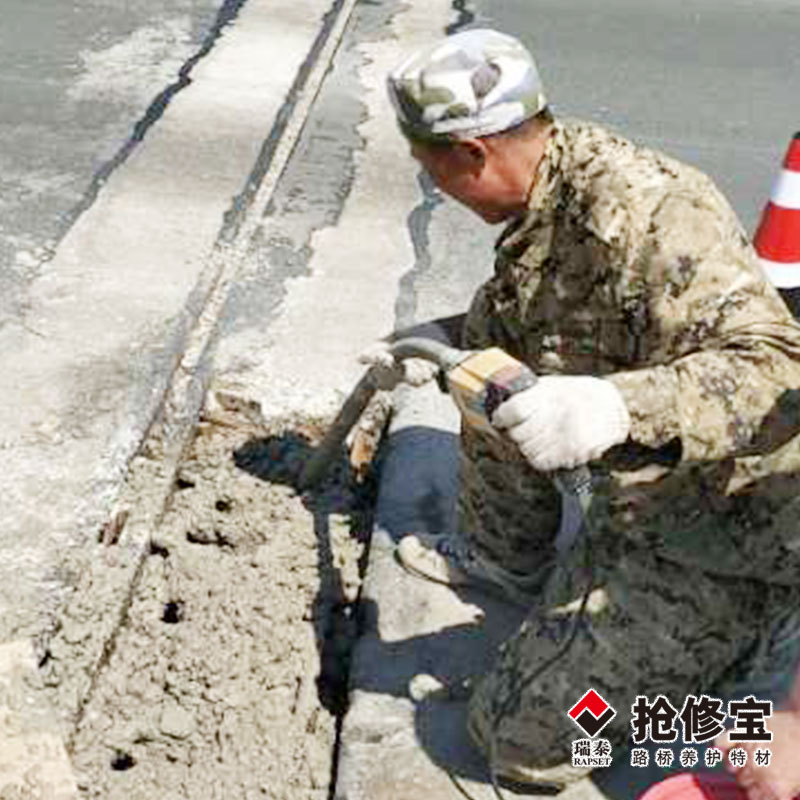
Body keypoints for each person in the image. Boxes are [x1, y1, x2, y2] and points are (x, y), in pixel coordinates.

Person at [364, 27, 800, 789]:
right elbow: (534, 320)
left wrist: (617, 406)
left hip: (728, 534)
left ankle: (736, 708)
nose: (434, 186)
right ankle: (508, 559)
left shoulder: (652, 216)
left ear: (473, 154)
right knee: (485, 374)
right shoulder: (548, 192)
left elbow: (773, 368)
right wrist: (440, 343)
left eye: (433, 168)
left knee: (522, 739)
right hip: (639, 503)